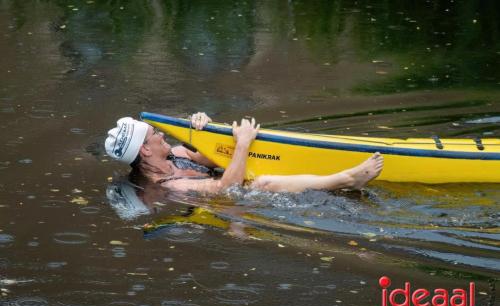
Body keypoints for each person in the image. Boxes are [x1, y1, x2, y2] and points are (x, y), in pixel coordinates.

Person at [105, 112, 384, 194]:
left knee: (259, 177)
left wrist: (204, 129)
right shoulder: (170, 185)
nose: (161, 134)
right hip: (236, 199)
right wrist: (242, 144)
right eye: (155, 134)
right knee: (263, 183)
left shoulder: (178, 152)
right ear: (144, 148)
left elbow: (216, 158)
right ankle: (346, 180)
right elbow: (228, 186)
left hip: (237, 179)